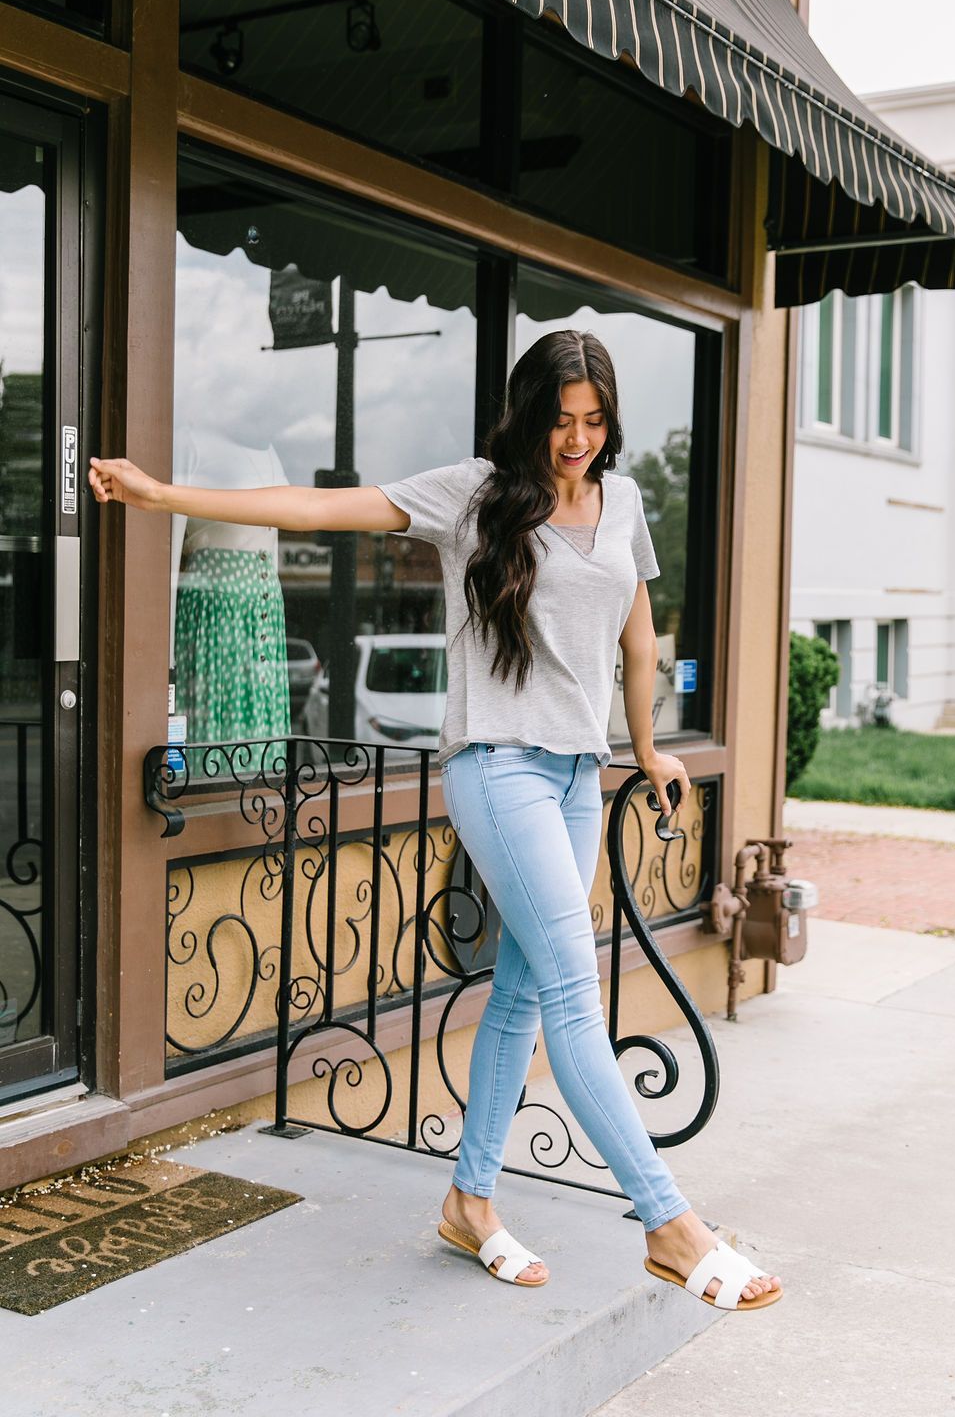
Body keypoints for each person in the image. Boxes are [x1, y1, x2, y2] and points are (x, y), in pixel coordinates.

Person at [89, 328, 782, 1312]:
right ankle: (671, 1226)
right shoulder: (475, 494)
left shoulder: (621, 501)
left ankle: (469, 1203)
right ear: (530, 412)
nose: (576, 439)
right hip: (496, 769)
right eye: (559, 419)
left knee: (521, 993)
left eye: (592, 421)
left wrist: (652, 745)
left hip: (578, 776)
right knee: (577, 995)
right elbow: (318, 507)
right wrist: (163, 496)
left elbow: (636, 642)